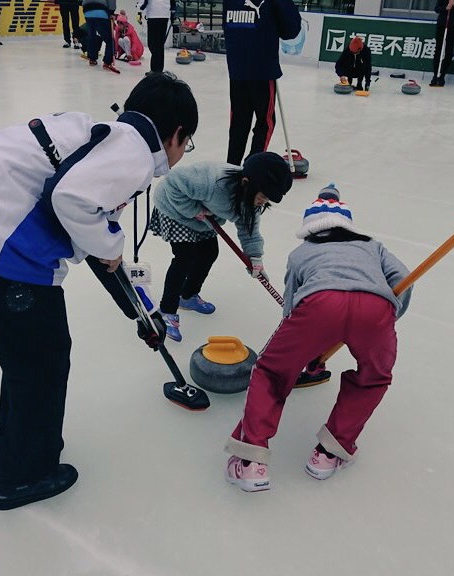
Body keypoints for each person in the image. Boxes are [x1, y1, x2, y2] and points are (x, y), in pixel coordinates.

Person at [0, 72, 198, 510]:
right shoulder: (133, 150)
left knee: (25, 354)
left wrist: (138, 312)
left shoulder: (104, 139)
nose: (180, 153)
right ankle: (23, 475)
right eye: (185, 144)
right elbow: (70, 200)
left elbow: (91, 237)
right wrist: (112, 247)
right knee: (43, 357)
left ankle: (8, 446)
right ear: (175, 135)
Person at [224, 185, 413, 492]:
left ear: (310, 229)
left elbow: (291, 308)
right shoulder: (372, 246)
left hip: (319, 303)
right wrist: (387, 319)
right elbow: (403, 278)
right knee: (374, 377)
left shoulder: (301, 253)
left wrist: (303, 352)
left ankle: (251, 463)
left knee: (270, 372)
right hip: (376, 308)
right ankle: (329, 454)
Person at [149, 152, 292, 342]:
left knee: (209, 252)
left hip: (204, 217)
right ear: (246, 183)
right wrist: (194, 210)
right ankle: (166, 311)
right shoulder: (212, 182)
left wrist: (255, 259)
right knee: (185, 257)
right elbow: (173, 183)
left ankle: (188, 295)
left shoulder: (250, 202)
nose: (263, 202)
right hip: (175, 207)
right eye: (263, 196)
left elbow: (249, 231)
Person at [223, 0, 301, 166]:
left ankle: (231, 167)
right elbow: (291, 30)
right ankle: (252, 166)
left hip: (237, 68)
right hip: (262, 69)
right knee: (266, 122)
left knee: (239, 121)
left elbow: (228, 25)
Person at [429, 0, 454, 87]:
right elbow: (436, 9)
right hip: (442, 25)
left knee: (448, 51)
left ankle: (442, 76)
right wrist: (446, 8)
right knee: (438, 50)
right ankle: (435, 75)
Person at [82, 0, 119, 74]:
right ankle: (107, 62)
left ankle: (92, 59)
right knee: (109, 39)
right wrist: (112, 12)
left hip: (87, 11)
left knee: (92, 35)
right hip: (101, 12)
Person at [139, 0, 175, 74]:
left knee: (153, 44)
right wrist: (172, 12)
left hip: (154, 15)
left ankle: (156, 70)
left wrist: (140, 10)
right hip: (163, 15)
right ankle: (158, 70)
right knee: (159, 45)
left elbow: (144, 3)